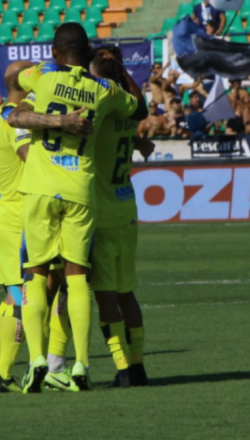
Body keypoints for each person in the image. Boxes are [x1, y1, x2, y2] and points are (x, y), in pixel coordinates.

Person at [8, 23, 147, 393]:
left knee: (36, 274)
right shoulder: (104, 90)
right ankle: (82, 365)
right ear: (87, 53)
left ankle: (39, 359)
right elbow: (139, 108)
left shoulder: (41, 76)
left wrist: (40, 109)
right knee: (77, 276)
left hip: (40, 186)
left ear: (53, 52)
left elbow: (14, 85)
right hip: (83, 190)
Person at [89, 49, 153, 388]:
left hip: (100, 212)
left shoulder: (100, 106)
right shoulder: (129, 109)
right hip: (127, 206)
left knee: (105, 296)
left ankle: (123, 368)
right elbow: (140, 108)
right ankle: (139, 365)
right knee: (127, 293)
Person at [0, 60, 36, 393]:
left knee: (8, 298)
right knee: (21, 299)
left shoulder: (3, 113)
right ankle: (4, 375)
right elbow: (30, 156)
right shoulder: (17, 120)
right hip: (14, 218)